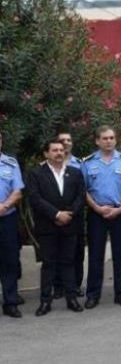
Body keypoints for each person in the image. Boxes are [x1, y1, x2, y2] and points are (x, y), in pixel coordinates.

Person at [27, 138, 86, 316]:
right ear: (46, 153)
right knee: (48, 264)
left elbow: (81, 196)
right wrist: (56, 214)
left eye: (61, 150)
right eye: (55, 150)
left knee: (68, 262)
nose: (59, 153)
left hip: (70, 224)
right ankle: (45, 301)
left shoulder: (75, 173)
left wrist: (68, 214)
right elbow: (35, 198)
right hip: (47, 226)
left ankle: (71, 298)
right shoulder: (36, 173)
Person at [82, 125, 121, 308]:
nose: (109, 141)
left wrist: (120, 208)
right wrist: (97, 208)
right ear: (97, 141)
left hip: (119, 212)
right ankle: (93, 295)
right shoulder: (87, 163)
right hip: (97, 213)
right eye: (104, 138)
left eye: (111, 138)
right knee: (96, 255)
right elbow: (83, 190)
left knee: (120, 254)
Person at [52, 129, 85, 299]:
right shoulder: (47, 166)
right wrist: (57, 214)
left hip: (75, 216)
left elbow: (82, 192)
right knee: (57, 252)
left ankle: (75, 285)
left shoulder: (80, 164)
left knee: (77, 253)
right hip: (54, 217)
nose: (65, 143)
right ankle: (58, 287)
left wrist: (71, 212)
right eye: (62, 140)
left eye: (68, 140)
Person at [0, 130, 23, 318]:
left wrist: (4, 205)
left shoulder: (11, 163)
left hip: (7, 218)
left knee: (9, 261)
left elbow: (18, 191)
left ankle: (10, 302)